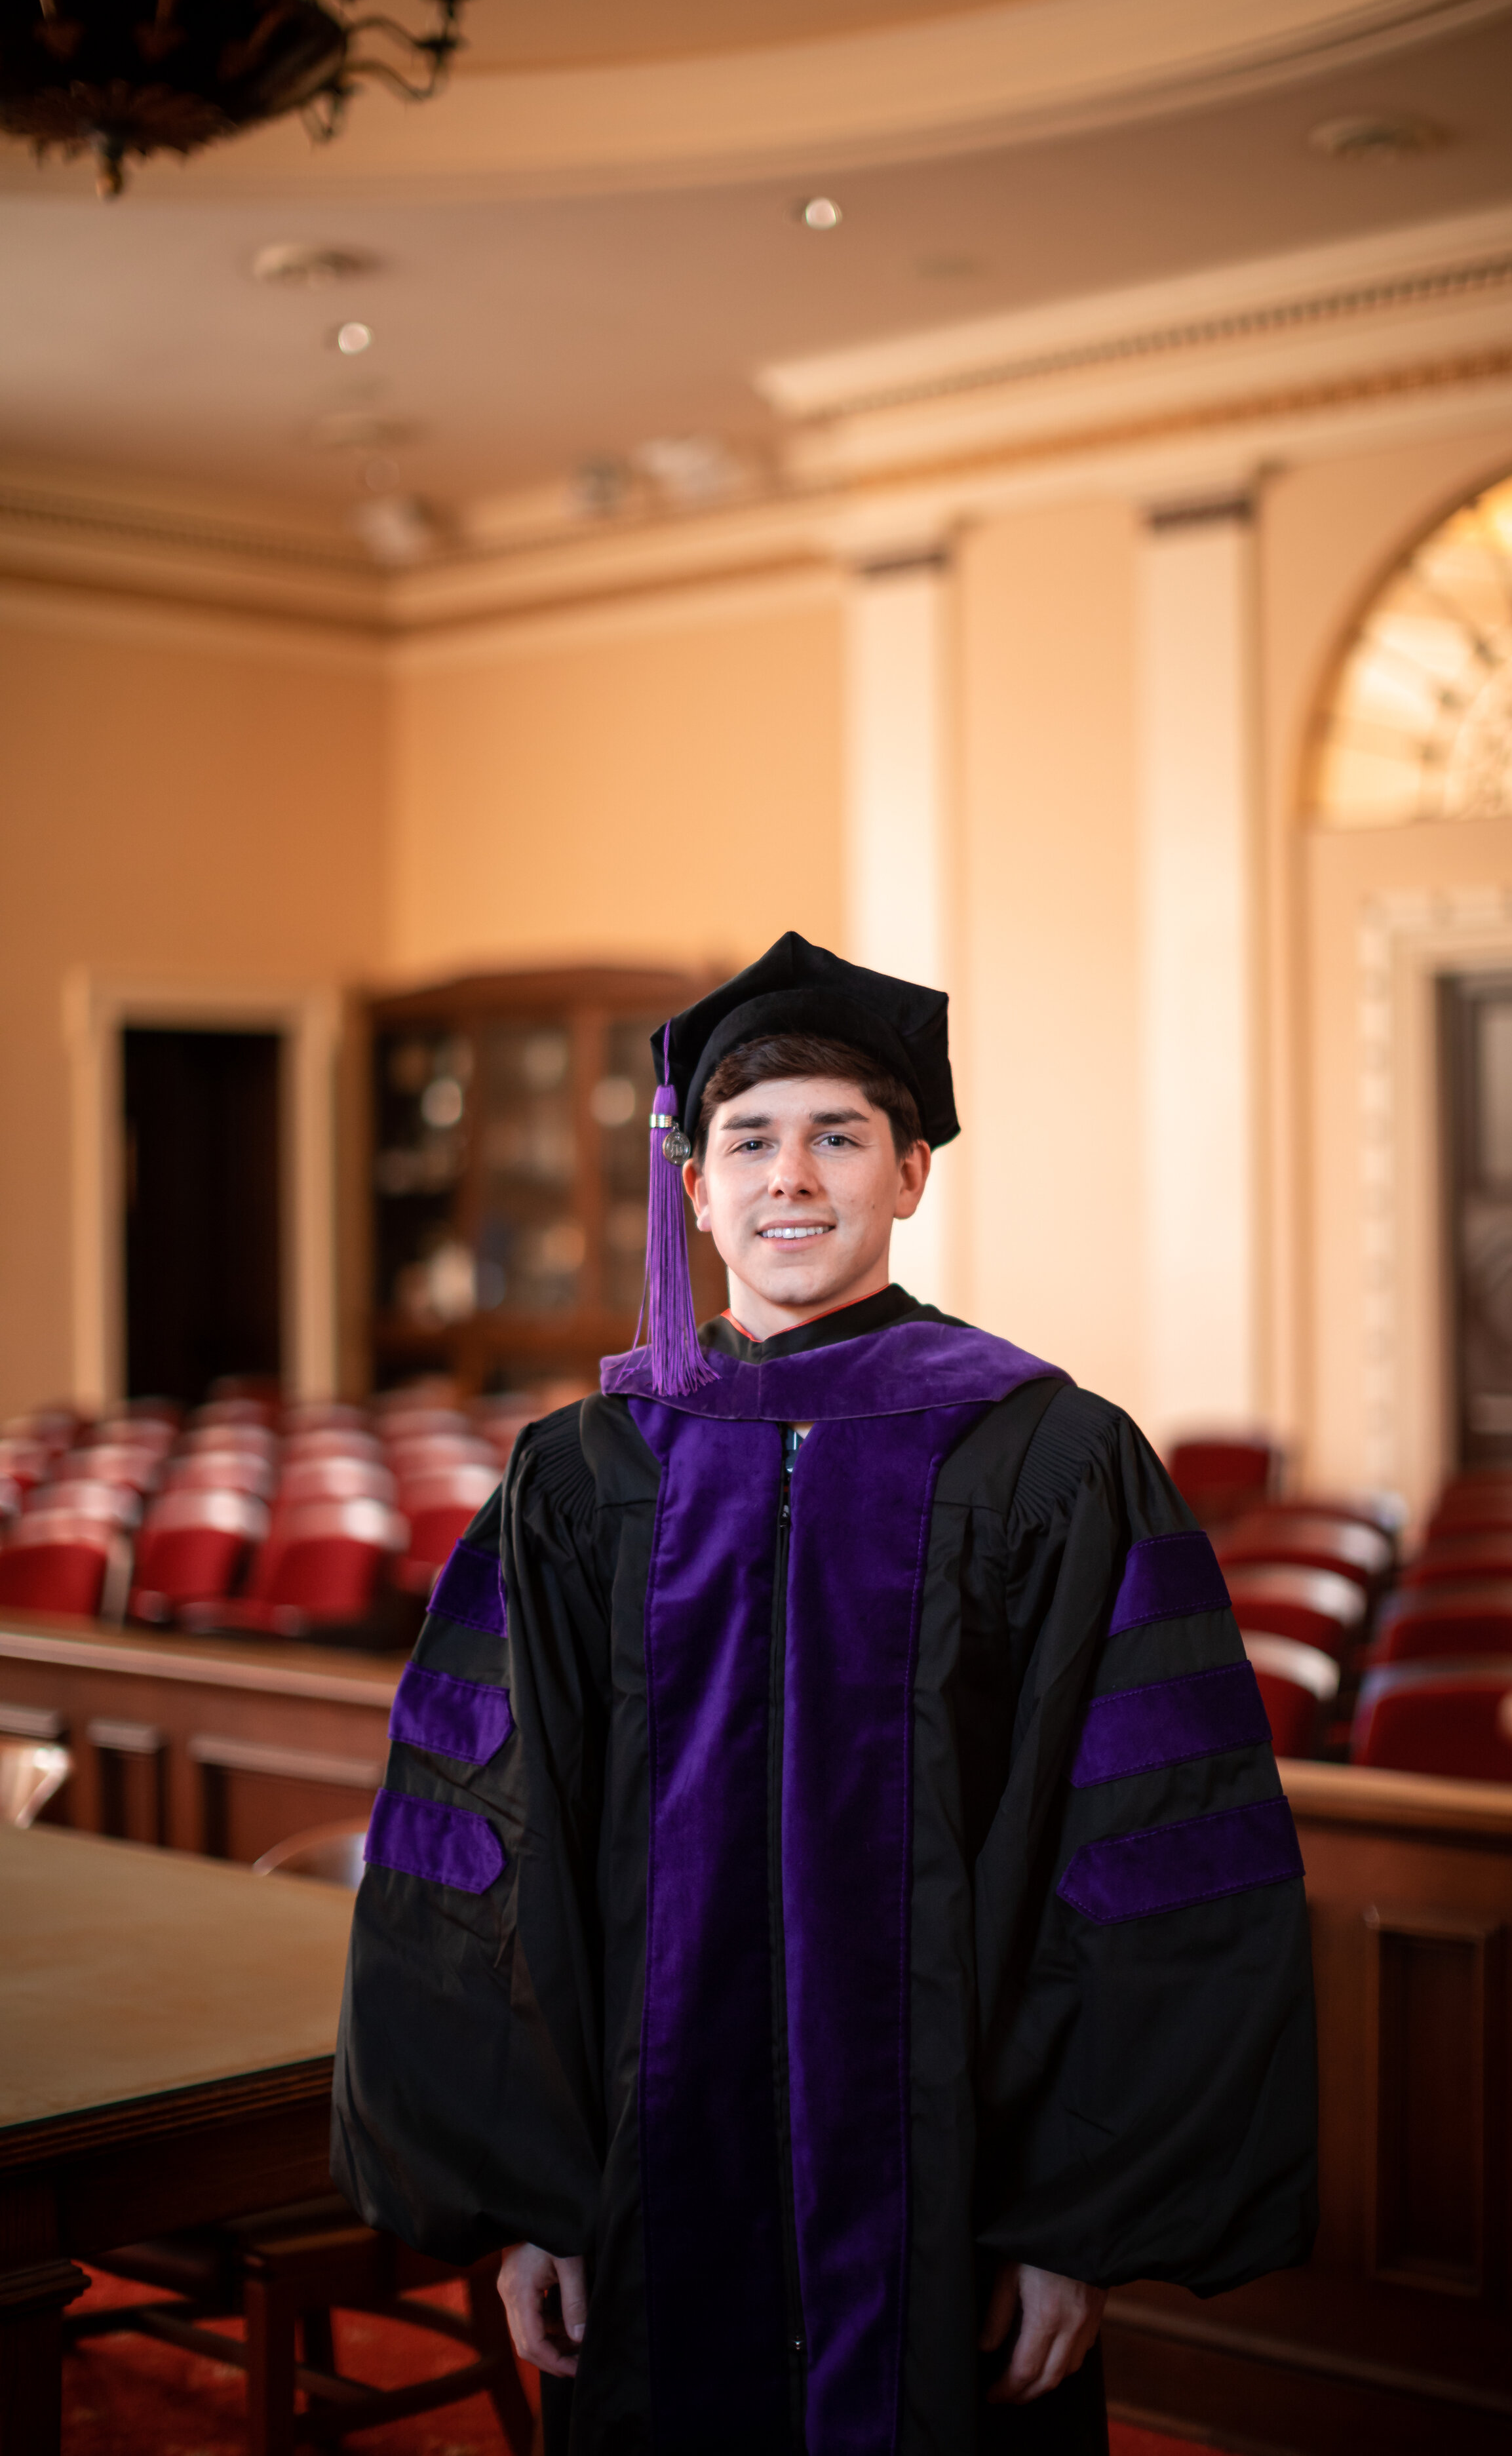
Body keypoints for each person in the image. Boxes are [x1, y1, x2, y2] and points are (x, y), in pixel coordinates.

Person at [332, 931, 1317, 2456]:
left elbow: (1142, 1850)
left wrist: (1072, 2217)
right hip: (650, 2191)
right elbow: (488, 1842)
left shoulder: (1050, 1465)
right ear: (696, 1189)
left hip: (957, 2208)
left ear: (910, 1173)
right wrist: (535, 2193)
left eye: (838, 1136)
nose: (791, 1176)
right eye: (749, 1140)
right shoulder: (583, 1478)